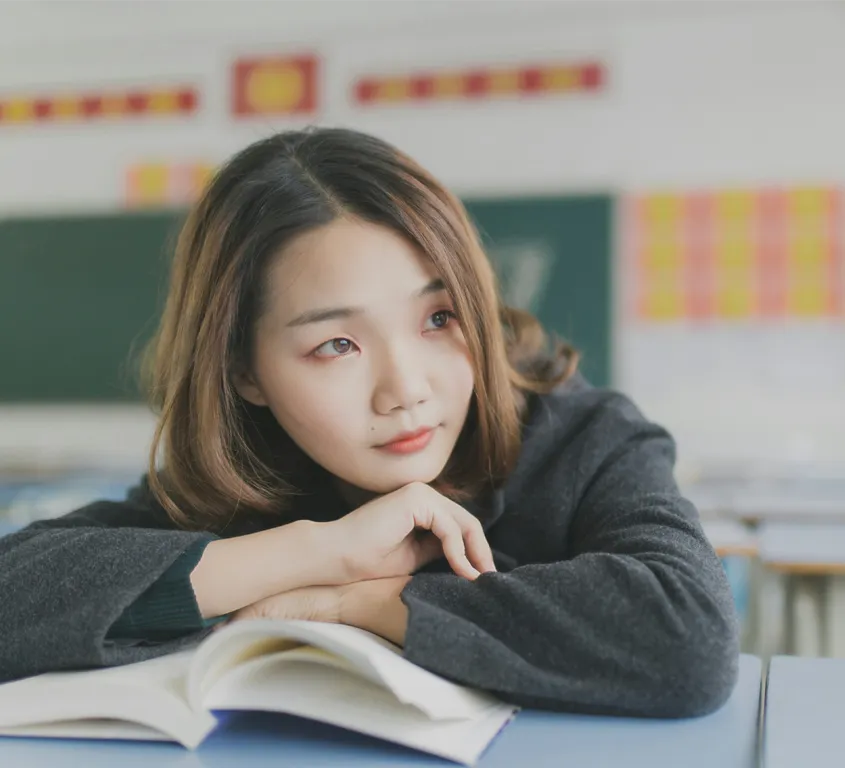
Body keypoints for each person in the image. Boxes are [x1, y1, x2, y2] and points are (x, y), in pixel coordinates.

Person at [0, 128, 738, 717]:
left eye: (438, 318)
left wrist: (364, 603)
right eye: (338, 345)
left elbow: (691, 641)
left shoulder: (584, 438)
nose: (406, 390)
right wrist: (317, 553)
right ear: (244, 371)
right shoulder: (253, 478)